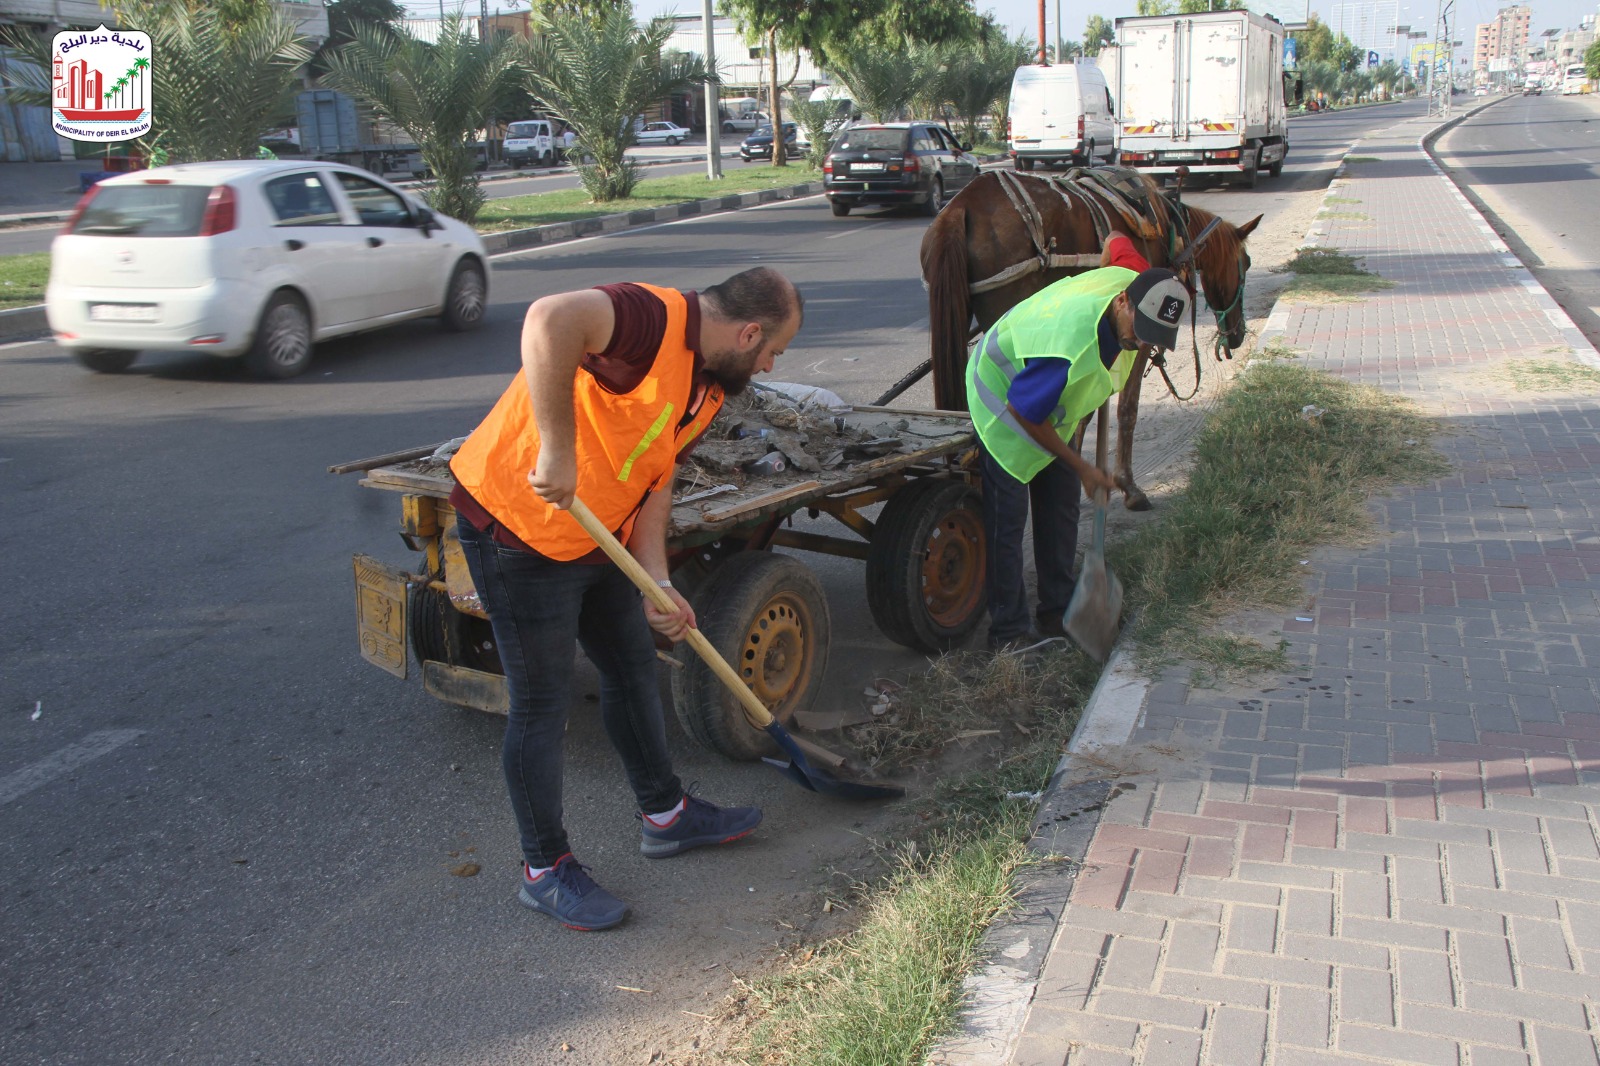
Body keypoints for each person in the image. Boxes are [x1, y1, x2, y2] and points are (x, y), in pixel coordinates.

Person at [448, 267, 804, 931]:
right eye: (771, 351)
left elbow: (655, 482)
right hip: (518, 527)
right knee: (542, 701)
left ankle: (665, 815)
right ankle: (544, 868)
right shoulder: (648, 320)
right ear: (749, 331)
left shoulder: (708, 385)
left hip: (598, 533)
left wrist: (657, 582)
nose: (770, 364)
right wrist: (557, 447)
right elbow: (549, 318)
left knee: (633, 664)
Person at [966, 232, 1191, 652]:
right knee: (1008, 522)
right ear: (1122, 301)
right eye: (1141, 330)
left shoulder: (1141, 282)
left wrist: (1075, 467)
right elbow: (1024, 411)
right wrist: (1084, 465)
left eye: (1155, 336)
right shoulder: (1070, 345)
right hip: (1002, 397)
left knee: (1062, 501)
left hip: (1048, 401)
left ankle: (1056, 609)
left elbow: (1116, 239)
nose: (1143, 343)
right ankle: (1008, 634)